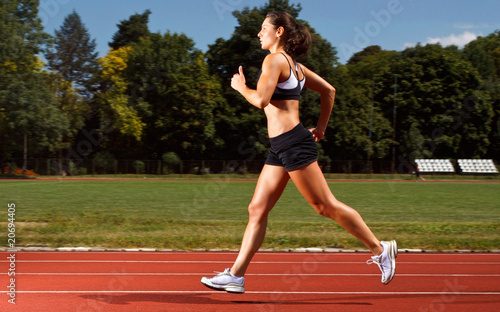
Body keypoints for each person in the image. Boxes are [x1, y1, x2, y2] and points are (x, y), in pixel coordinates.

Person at [201, 11, 397, 294]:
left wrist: (241, 87)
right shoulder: (296, 66)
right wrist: (321, 127)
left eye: (263, 29)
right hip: (280, 146)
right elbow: (329, 91)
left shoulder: (274, 60)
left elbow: (261, 100)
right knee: (257, 208)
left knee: (324, 206)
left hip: (293, 143)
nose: (259, 33)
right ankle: (236, 275)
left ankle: (380, 249)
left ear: (278, 32)